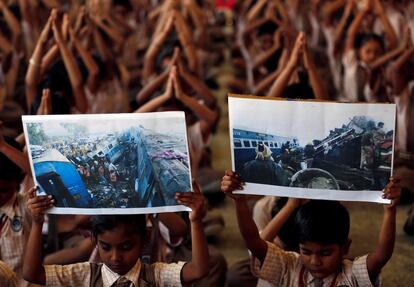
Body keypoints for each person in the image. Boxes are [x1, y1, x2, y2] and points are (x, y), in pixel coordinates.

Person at [221, 170, 401, 286]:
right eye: (306, 252)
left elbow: (381, 255)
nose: (315, 261)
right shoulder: (290, 266)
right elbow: (254, 242)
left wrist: (390, 211)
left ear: (345, 247)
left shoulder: (351, 274)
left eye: (325, 253)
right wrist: (240, 203)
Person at [23, 181, 209, 286]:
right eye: (105, 247)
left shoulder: (155, 275)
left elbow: (199, 270)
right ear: (95, 241)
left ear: (144, 240)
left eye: (126, 247)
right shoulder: (87, 274)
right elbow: (32, 274)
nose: (115, 257)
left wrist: (196, 220)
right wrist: (37, 223)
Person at [0, 135, 31, 286]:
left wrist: (3, 147)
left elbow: (39, 175)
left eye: (3, 191)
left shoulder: (26, 206)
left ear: (19, 181)